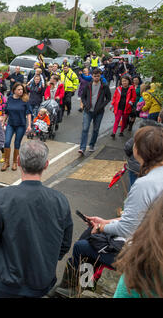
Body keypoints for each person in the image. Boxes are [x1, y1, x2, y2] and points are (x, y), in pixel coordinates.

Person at [55, 125, 163, 297]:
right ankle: (83, 286)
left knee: (82, 247)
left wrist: (102, 227)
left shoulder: (145, 184)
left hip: (141, 255)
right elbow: (138, 219)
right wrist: (105, 222)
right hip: (152, 249)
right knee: (89, 238)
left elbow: (127, 228)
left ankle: (77, 288)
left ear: (140, 150)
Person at [0, 140, 73, 298]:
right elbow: (64, 244)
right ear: (46, 164)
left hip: (3, 284)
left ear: (19, 162)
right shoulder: (60, 201)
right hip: (40, 284)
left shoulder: (2, 198)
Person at [113, 193, 163, 298]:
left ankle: (84, 286)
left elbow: (126, 225)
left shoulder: (141, 263)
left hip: (129, 251)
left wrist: (101, 227)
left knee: (82, 247)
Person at [79, 68, 112, 154]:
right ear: (92, 76)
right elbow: (83, 97)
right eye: (94, 76)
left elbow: (108, 98)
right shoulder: (88, 85)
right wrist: (86, 105)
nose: (96, 78)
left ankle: (92, 145)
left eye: (98, 76)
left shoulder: (104, 86)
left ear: (100, 76)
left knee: (96, 129)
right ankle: (82, 148)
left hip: (99, 112)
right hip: (88, 110)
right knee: (85, 129)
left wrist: (102, 106)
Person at [1, 83, 32, 172]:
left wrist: (29, 125)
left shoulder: (25, 100)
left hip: (21, 125)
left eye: (22, 89)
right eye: (18, 89)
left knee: (17, 143)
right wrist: (3, 122)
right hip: (10, 124)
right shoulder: (10, 99)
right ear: (14, 90)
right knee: (6, 142)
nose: (21, 91)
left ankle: (15, 162)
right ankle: (6, 162)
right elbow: (6, 112)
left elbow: (29, 113)